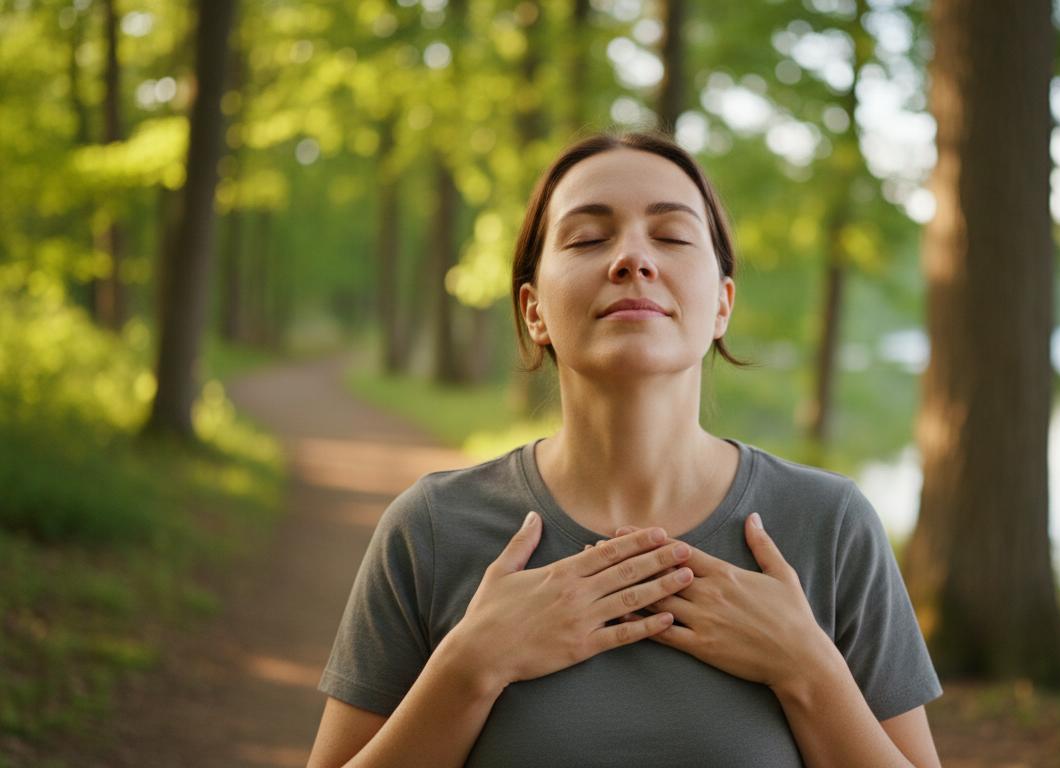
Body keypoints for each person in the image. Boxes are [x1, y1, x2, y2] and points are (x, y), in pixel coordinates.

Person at [306, 130, 942, 768]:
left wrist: (806, 669)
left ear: (722, 304)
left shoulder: (829, 525)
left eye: (670, 237)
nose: (633, 259)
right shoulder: (431, 529)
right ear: (534, 312)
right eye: (587, 238)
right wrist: (473, 666)